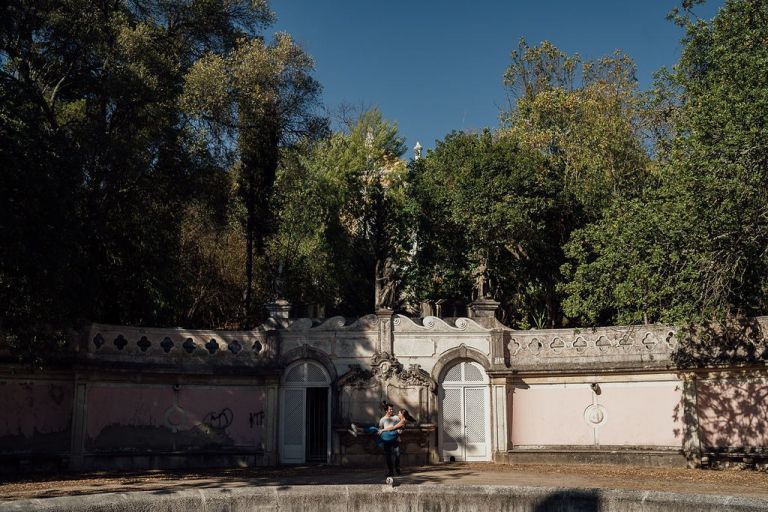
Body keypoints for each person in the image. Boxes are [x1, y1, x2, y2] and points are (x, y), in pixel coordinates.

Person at [349, 405, 408, 476]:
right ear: (386, 411)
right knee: (388, 456)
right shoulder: (382, 419)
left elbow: (402, 420)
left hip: (395, 438)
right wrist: (382, 431)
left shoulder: (396, 417)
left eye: (392, 409)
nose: (392, 411)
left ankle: (397, 469)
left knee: (397, 455)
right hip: (387, 437)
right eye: (390, 409)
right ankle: (391, 471)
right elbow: (380, 428)